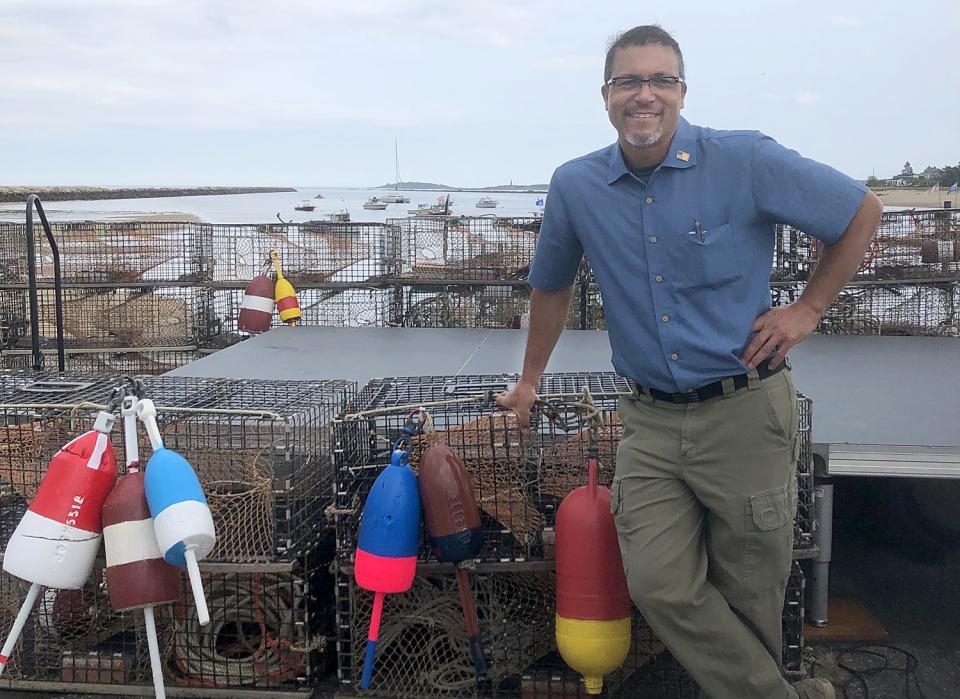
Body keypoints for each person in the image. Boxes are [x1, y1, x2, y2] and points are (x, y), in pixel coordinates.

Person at [496, 24, 881, 699]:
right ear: (606, 95)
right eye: (628, 81)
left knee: (751, 588)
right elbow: (551, 286)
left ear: (681, 91)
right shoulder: (577, 185)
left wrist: (808, 309)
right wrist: (529, 380)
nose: (644, 94)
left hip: (746, 412)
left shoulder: (744, 159)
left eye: (660, 80)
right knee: (658, 582)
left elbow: (860, 211)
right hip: (648, 421)